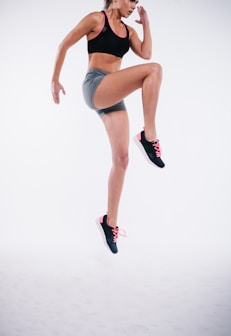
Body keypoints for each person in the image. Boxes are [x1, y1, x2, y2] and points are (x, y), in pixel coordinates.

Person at [51, 0, 165, 254]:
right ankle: (149, 135)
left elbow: (145, 53)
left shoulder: (129, 31)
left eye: (137, 3)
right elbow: (64, 44)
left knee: (122, 159)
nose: (134, 5)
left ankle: (109, 221)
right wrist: (55, 79)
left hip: (113, 94)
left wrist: (145, 24)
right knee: (154, 71)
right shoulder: (96, 19)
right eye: (132, 0)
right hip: (96, 85)